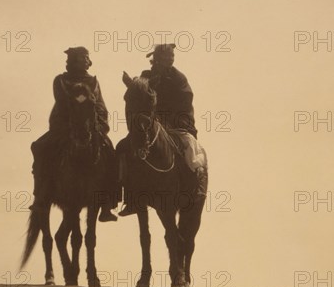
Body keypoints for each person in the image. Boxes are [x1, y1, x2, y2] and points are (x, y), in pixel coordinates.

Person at [118, 43, 207, 216]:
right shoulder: (145, 77)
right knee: (123, 147)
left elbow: (185, 104)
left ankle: (193, 189)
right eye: (166, 56)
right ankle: (130, 199)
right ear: (156, 59)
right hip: (150, 126)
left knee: (190, 151)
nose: (170, 59)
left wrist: (170, 123)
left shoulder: (179, 79)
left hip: (178, 126)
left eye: (172, 56)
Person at [30, 47, 118, 222]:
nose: (85, 61)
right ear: (72, 61)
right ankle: (41, 193)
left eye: (86, 58)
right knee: (39, 147)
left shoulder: (93, 82)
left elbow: (100, 105)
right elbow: (62, 104)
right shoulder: (61, 81)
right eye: (81, 58)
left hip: (91, 127)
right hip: (64, 127)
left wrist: (100, 125)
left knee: (111, 152)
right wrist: (70, 125)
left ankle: (108, 203)